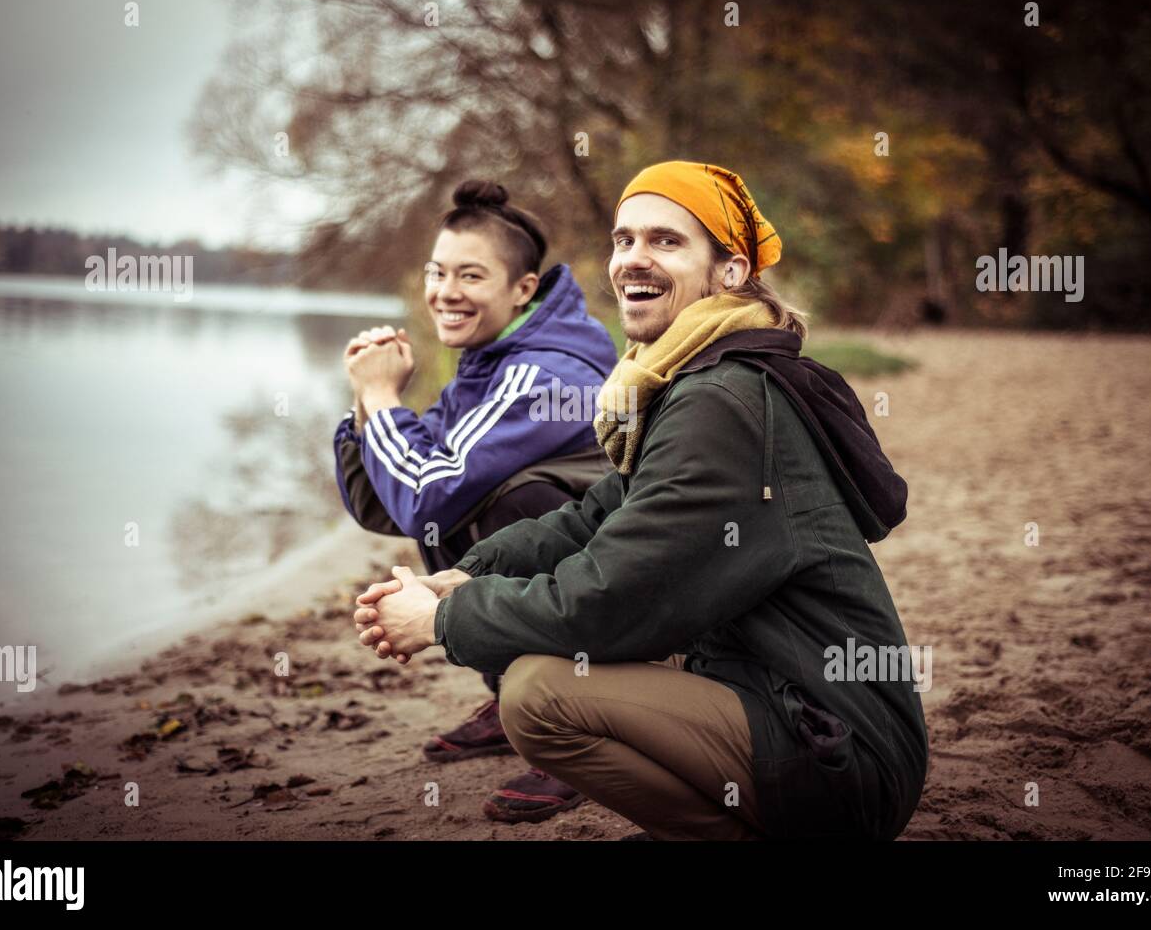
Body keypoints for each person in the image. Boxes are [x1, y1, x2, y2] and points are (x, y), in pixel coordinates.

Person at [355, 160, 930, 841]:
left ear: (731, 272)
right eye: (623, 239)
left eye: (665, 241)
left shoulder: (723, 401)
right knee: (548, 653)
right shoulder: (692, 379)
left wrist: (445, 620)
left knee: (539, 694)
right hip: (790, 705)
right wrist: (463, 576)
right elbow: (592, 516)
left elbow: (611, 597)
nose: (633, 259)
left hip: (839, 752)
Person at [335, 179, 617, 823]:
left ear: (522, 289)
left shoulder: (543, 373)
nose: (445, 292)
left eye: (470, 275)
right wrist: (365, 404)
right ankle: (513, 696)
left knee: (508, 505)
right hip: (576, 579)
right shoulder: (490, 362)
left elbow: (423, 497)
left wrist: (383, 402)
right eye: (437, 272)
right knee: (464, 501)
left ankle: (574, 723)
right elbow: (384, 503)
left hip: (619, 587)